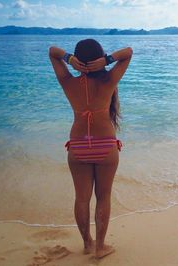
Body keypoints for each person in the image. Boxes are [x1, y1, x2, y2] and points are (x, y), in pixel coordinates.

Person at [48, 39, 132, 259]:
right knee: (103, 197)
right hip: (105, 145)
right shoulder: (108, 81)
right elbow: (128, 53)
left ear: (78, 60)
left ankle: (87, 243)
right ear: (99, 57)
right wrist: (108, 60)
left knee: (82, 198)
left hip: (78, 147)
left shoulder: (68, 82)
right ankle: (100, 247)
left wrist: (69, 59)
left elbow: (52, 52)